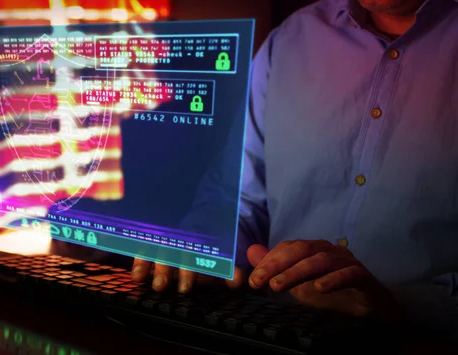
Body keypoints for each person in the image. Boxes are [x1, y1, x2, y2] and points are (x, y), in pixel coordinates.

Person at [131, 0, 458, 339]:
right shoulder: (289, 40)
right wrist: (201, 247)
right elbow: (235, 199)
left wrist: (400, 306)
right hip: (269, 334)